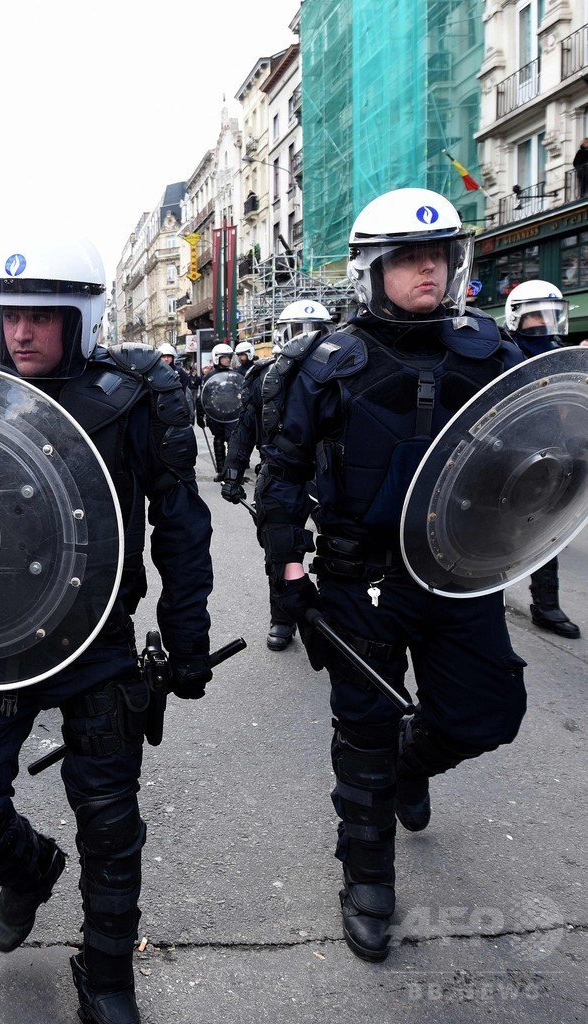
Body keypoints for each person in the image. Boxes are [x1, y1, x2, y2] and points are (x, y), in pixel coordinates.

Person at [0, 229, 214, 1024]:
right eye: (9, 314)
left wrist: (188, 640)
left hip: (97, 640)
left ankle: (108, 976)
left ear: (81, 317)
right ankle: (29, 870)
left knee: (111, 825)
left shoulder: (134, 395)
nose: (22, 332)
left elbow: (181, 527)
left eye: (42, 316)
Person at [255, 187, 528, 964]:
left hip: (459, 574)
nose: (426, 271)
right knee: (363, 733)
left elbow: (537, 450)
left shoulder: (492, 354)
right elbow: (283, 478)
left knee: (487, 714)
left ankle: (417, 761)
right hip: (359, 581)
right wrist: (291, 575)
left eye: (437, 256)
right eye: (408, 258)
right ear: (372, 270)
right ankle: (367, 877)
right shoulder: (326, 364)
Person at [504, 279, 580, 639]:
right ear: (517, 317)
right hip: (511, 454)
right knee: (494, 534)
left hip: (555, 452)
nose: (545, 323)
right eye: (536, 315)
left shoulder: (562, 354)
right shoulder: (505, 353)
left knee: (546, 532)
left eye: (551, 314)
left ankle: (546, 605)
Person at [220, 343, 296, 651]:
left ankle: (339, 620)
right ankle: (283, 616)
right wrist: (233, 473)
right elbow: (245, 429)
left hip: (329, 475)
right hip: (278, 473)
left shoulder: (343, 366)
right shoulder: (265, 377)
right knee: (280, 550)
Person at [196, 342, 236, 481]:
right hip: (216, 414)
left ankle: (232, 470)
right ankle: (221, 471)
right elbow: (203, 396)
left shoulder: (233, 375)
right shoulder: (210, 376)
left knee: (232, 442)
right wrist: (200, 415)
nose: (227, 360)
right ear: (217, 358)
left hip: (231, 414)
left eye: (228, 357)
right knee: (218, 442)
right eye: (224, 357)